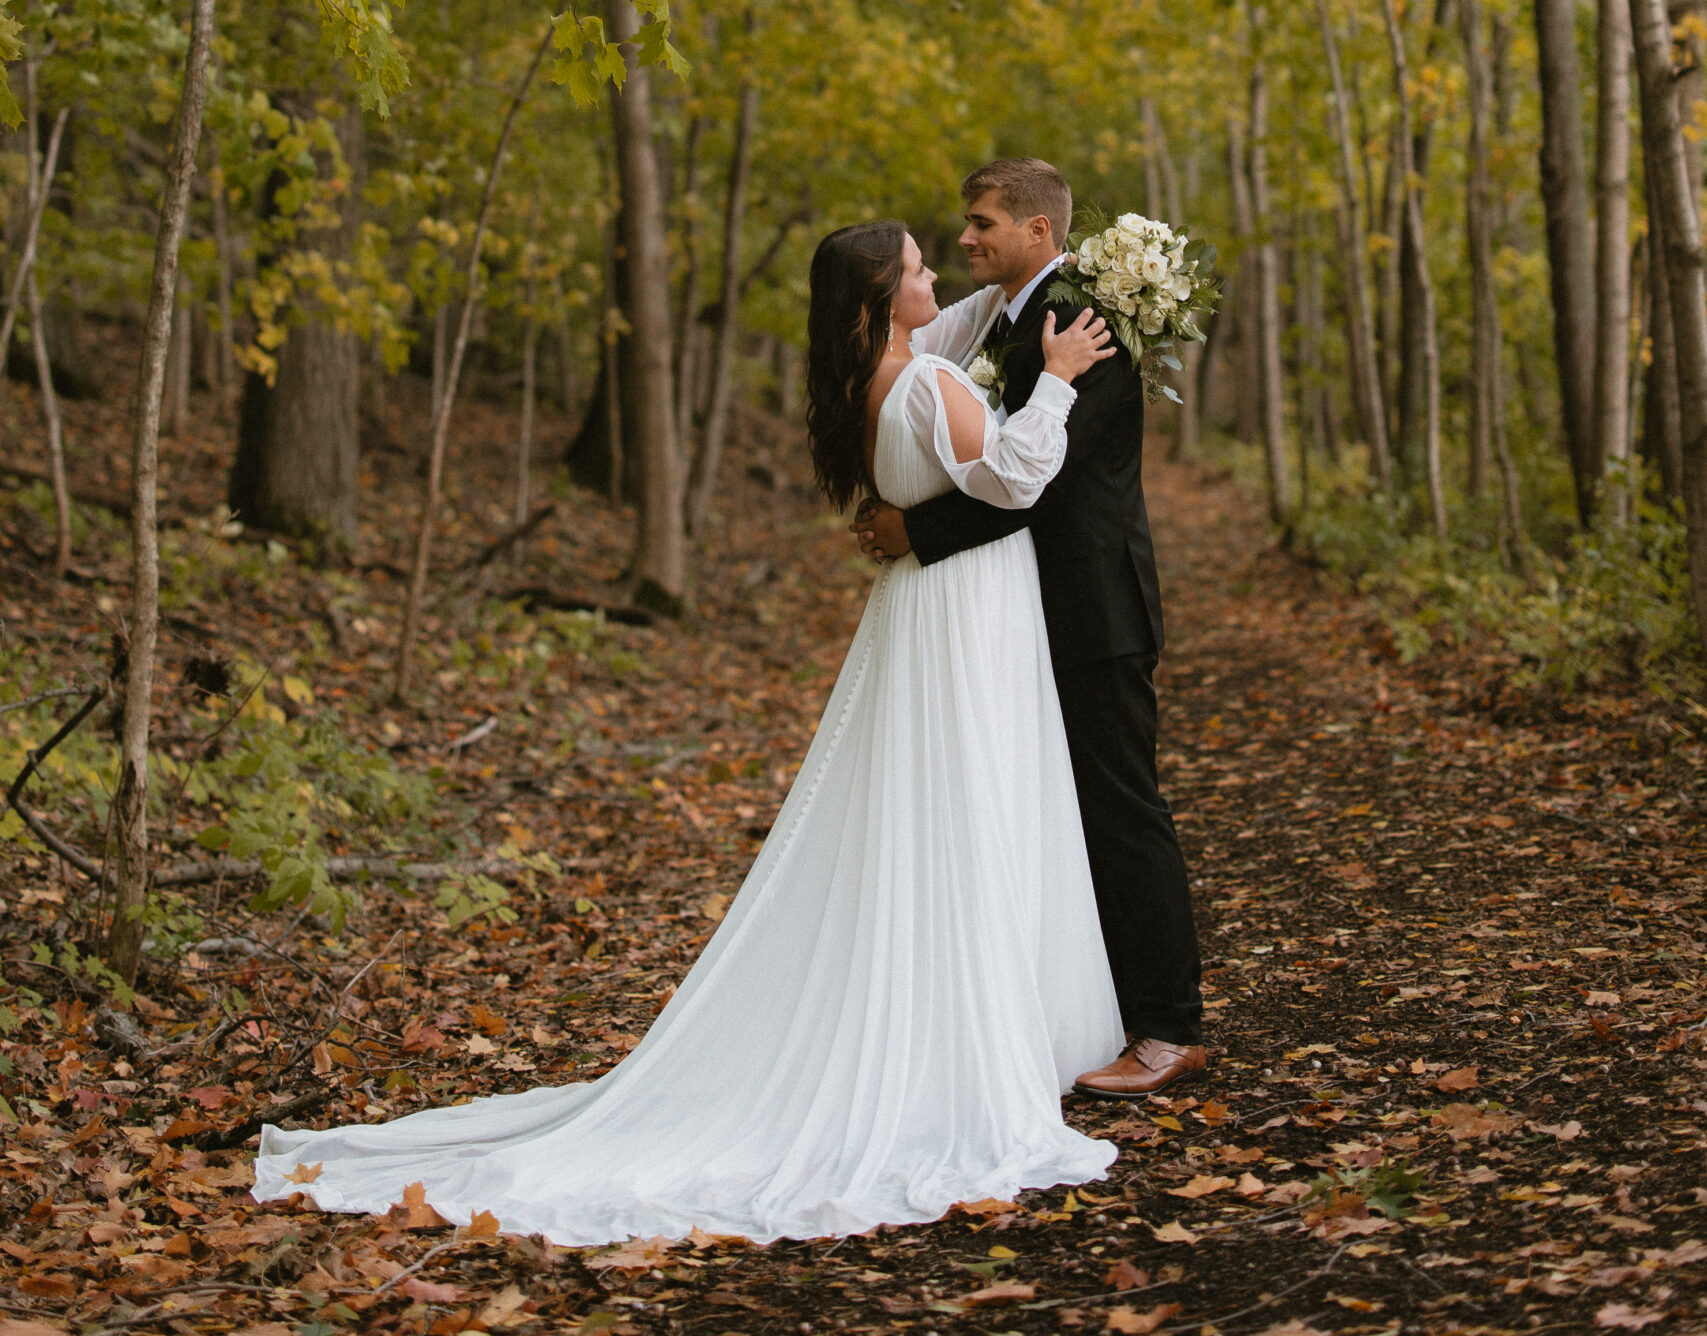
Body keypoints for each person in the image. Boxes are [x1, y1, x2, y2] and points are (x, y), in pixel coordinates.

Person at [252, 220, 1122, 1246]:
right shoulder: (927, 384)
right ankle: (956, 1045)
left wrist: (1049, 273)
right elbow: (1016, 477)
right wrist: (1055, 380)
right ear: (883, 297)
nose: (938, 270)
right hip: (959, 614)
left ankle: (961, 1018)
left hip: (929, 609)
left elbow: (968, 316)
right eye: (918, 265)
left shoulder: (875, 377)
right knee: (967, 809)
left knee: (937, 813)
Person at [857, 157, 1206, 1097]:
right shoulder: (1008, 317)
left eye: (982, 223)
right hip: (1021, 611)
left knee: (1119, 808)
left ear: (1037, 232)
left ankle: (1168, 1027)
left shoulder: (1080, 322)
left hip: (1093, 604)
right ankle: (1076, 1012)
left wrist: (912, 532)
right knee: (1057, 813)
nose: (966, 238)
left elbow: (1033, 485)